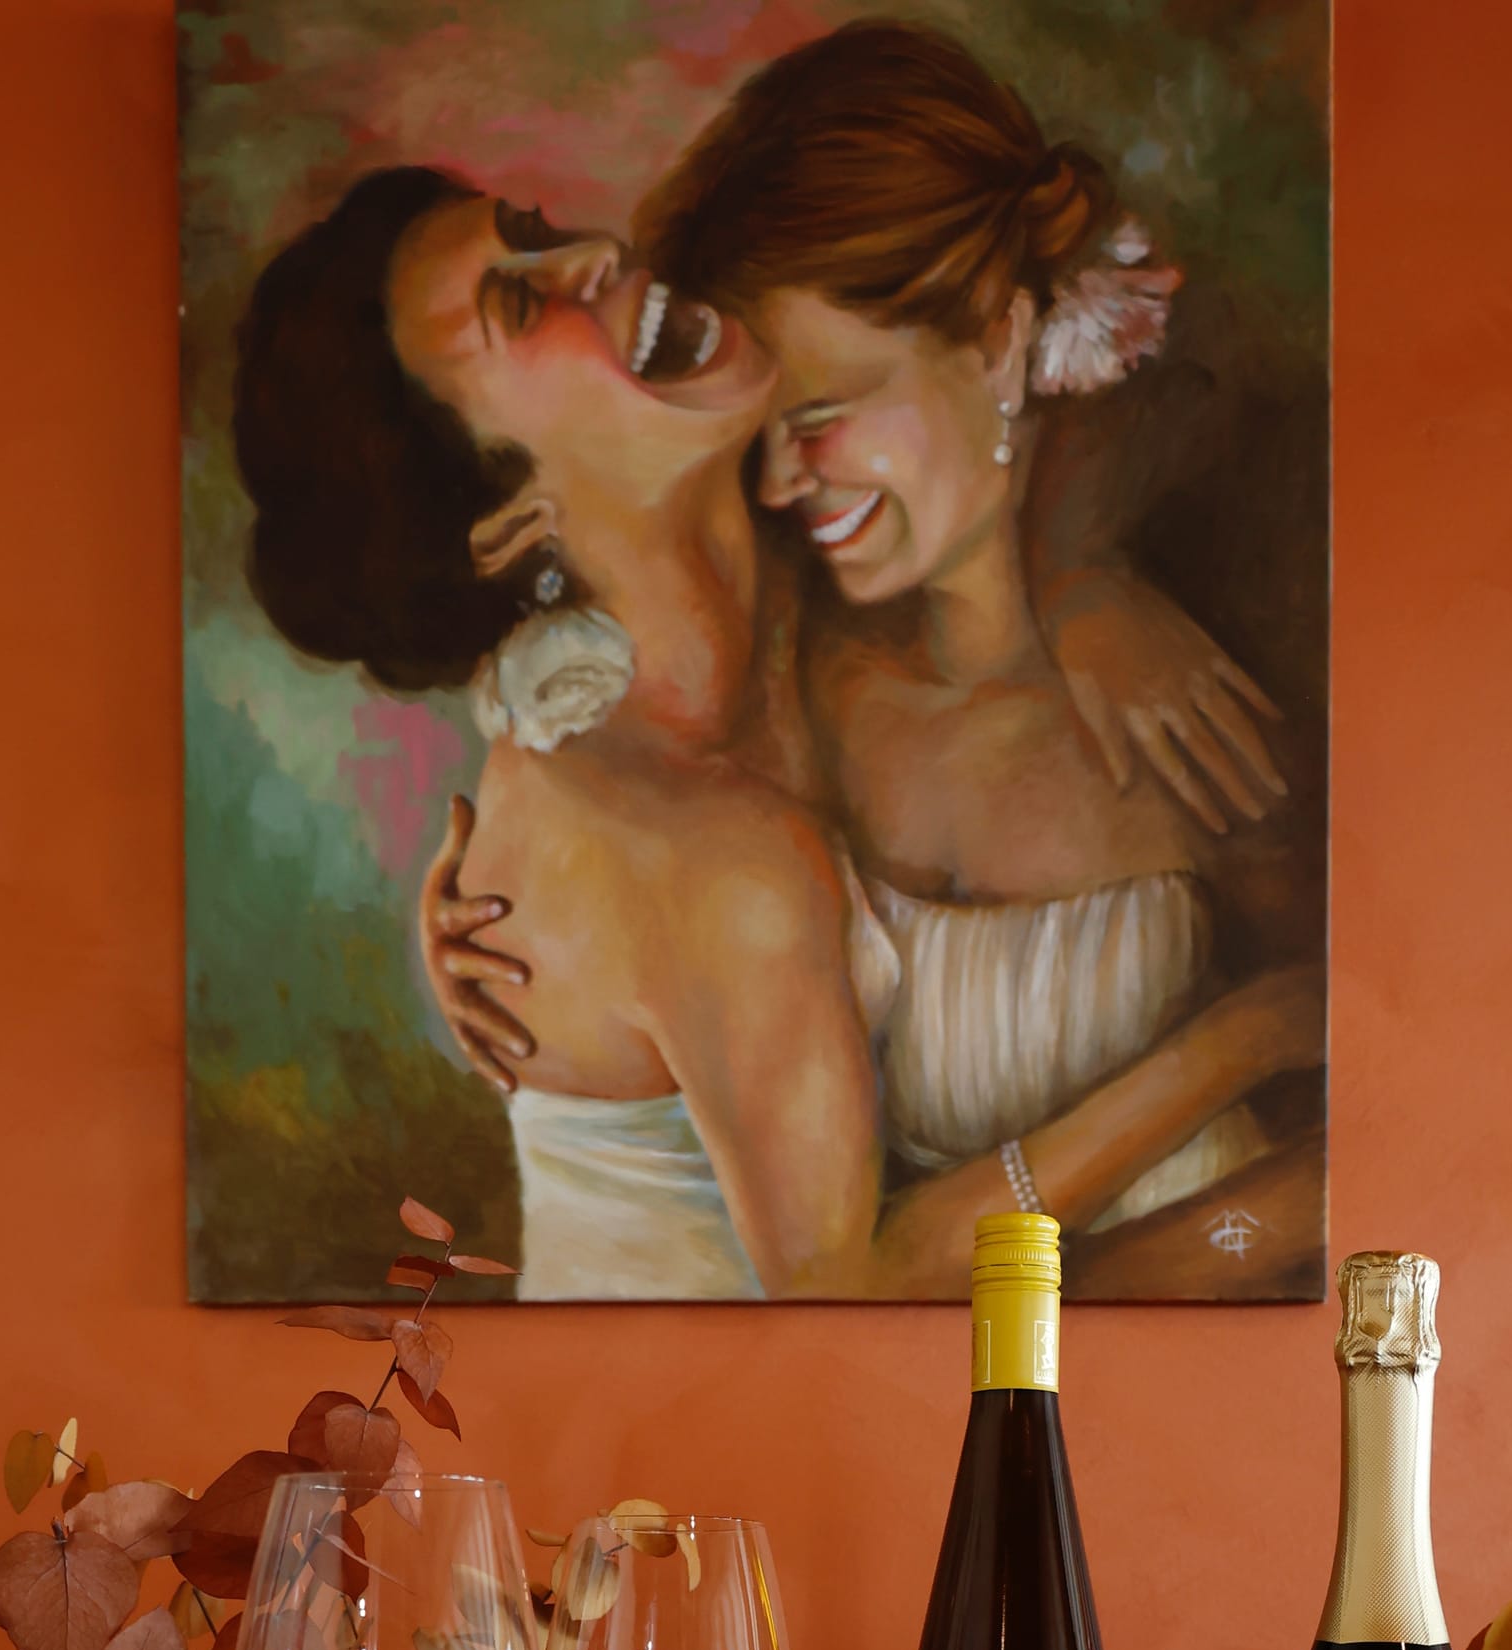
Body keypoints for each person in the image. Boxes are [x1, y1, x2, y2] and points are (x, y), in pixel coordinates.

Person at [238, 161, 1317, 1301]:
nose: (592, 253)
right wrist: (1252, 1044)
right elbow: (855, 1291)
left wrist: (1084, 579)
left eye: (538, 230)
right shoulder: (699, 846)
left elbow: (1084, 390)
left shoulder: (789, 613)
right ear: (511, 526)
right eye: (520, 303)